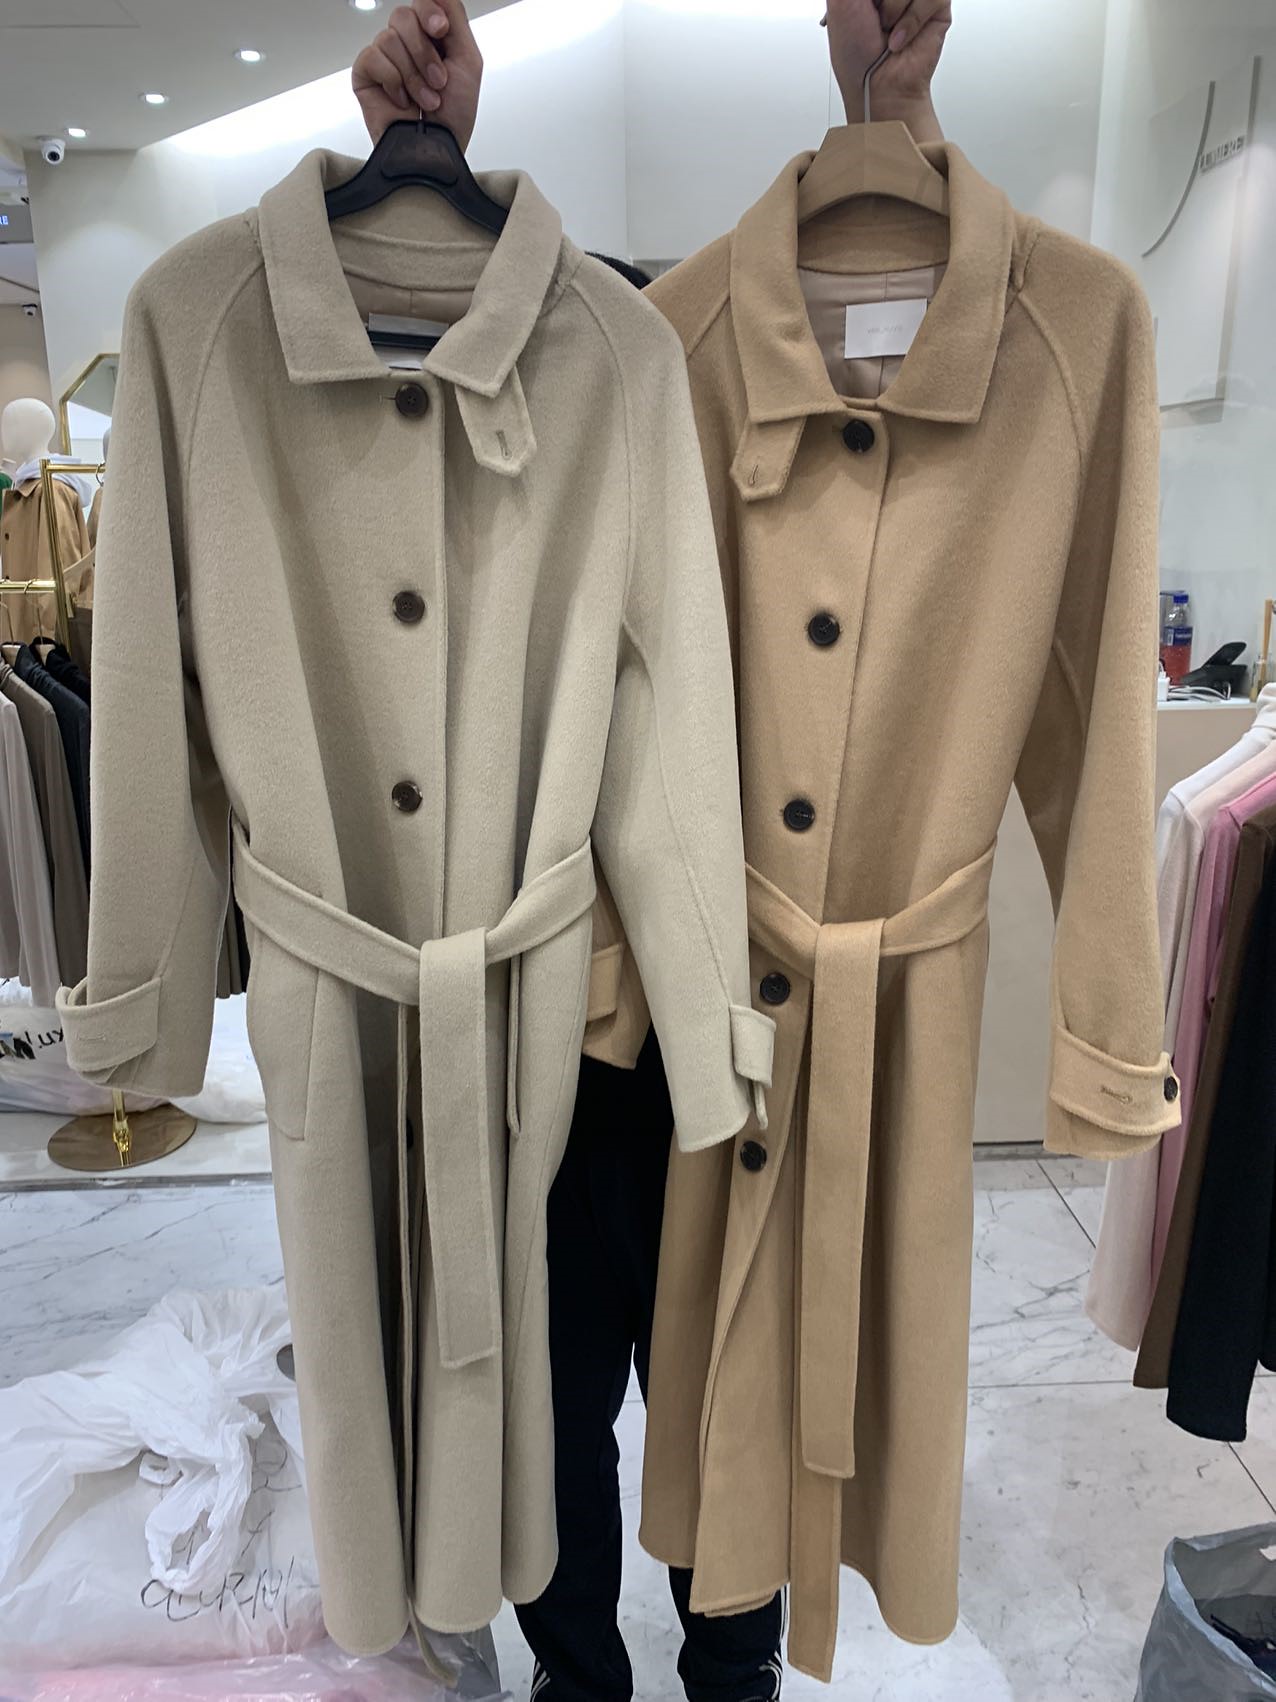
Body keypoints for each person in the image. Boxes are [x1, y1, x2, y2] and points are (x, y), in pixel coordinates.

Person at [351, 5, 949, 1699]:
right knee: (560, 1383)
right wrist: (427, 172)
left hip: (749, 1008)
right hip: (565, 1003)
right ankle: (585, 1671)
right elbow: (412, 522)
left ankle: (722, 1665)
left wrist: (889, 112)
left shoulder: (711, 363)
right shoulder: (600, 374)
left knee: (724, 1380)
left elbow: (894, 508)